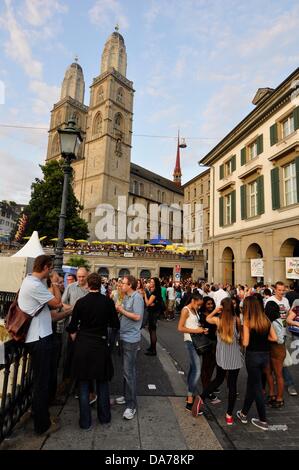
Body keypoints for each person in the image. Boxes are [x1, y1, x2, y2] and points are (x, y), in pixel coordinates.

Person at [67, 273, 120, 430]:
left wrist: (76, 336)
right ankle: (104, 417)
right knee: (102, 382)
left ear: (88, 285)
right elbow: (115, 323)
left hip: (83, 344)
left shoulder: (81, 302)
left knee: (83, 383)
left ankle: (85, 422)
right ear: (100, 285)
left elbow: (72, 326)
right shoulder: (107, 302)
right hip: (100, 344)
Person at [18, 255, 63, 435]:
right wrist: (56, 285)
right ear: (45, 267)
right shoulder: (36, 285)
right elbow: (57, 303)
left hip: (39, 337)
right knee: (41, 384)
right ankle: (42, 425)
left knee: (41, 382)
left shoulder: (31, 281)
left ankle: (40, 416)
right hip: (39, 339)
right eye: (50, 269)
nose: (51, 272)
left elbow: (50, 311)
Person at [192, 298, 243, 425]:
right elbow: (240, 338)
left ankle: (201, 397)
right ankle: (229, 415)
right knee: (232, 385)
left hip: (221, 356)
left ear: (222, 308)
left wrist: (215, 310)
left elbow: (207, 319)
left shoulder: (218, 320)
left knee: (218, 379)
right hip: (235, 356)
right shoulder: (237, 320)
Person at [237, 296, 277, 431]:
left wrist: (242, 335)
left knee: (257, 388)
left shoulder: (248, 321)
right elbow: (274, 338)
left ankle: (263, 420)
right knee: (252, 385)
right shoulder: (265, 319)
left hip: (252, 356)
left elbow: (246, 343)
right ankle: (243, 413)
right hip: (265, 355)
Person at [115, 275, 144, 420]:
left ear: (131, 285)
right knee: (126, 371)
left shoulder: (137, 297)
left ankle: (131, 406)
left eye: (124, 283)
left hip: (131, 339)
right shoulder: (126, 296)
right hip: (123, 336)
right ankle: (126, 397)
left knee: (129, 372)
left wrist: (121, 311)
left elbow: (137, 317)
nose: (121, 285)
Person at [265, 281, 297, 396]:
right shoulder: (270, 301)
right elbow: (267, 319)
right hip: (273, 335)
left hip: (284, 333)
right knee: (275, 361)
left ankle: (282, 383)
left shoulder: (286, 300)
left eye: (283, 290)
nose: (282, 292)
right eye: (279, 290)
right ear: (275, 289)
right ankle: (285, 384)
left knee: (280, 361)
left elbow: (288, 314)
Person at [177, 292, 205, 413]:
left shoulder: (195, 310)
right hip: (190, 342)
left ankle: (189, 396)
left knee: (193, 368)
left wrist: (202, 330)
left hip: (197, 342)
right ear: (193, 301)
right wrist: (197, 331)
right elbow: (180, 328)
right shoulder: (186, 310)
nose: (199, 307)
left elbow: (194, 325)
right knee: (197, 370)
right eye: (198, 304)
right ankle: (189, 399)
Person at [264, 301, 286, 407]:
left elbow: (280, 340)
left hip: (277, 349)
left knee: (278, 374)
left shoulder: (275, 322)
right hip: (272, 349)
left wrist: (267, 338)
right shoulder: (278, 320)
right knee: (268, 372)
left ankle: (280, 398)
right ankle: (272, 394)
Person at [199, 296, 218, 402]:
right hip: (206, 343)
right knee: (205, 366)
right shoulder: (201, 315)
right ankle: (205, 389)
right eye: (208, 304)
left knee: (212, 365)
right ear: (204, 305)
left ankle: (208, 386)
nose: (210, 305)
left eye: (211, 303)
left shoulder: (216, 314)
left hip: (215, 343)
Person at [143, 277, 163, 356]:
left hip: (153, 313)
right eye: (150, 282)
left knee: (152, 331)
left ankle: (153, 350)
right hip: (153, 312)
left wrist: (145, 294)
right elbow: (150, 303)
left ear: (155, 283)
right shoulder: (155, 290)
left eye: (151, 282)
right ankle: (151, 347)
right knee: (151, 330)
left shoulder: (155, 291)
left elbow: (148, 303)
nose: (150, 283)